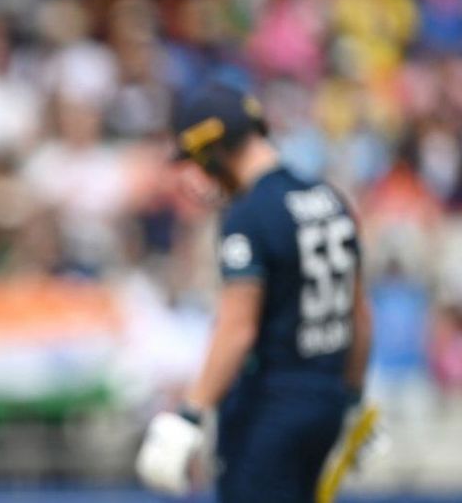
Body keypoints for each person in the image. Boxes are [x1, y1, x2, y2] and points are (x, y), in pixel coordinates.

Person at [135, 84, 373, 503]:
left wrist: (189, 415)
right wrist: (352, 399)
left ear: (212, 149)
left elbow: (237, 330)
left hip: (269, 409)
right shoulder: (330, 198)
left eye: (197, 161)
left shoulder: (249, 215)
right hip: (326, 401)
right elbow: (359, 316)